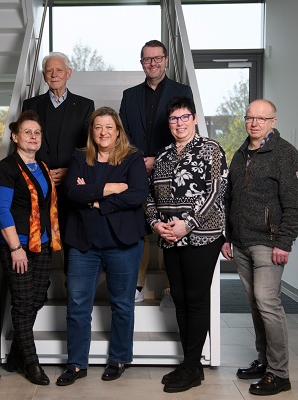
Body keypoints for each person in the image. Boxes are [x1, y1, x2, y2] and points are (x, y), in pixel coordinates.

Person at [56, 107, 148, 386]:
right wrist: (110, 188)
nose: (103, 132)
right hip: (84, 245)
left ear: (118, 130)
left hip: (123, 244)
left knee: (122, 305)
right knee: (77, 305)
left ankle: (119, 358)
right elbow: (72, 191)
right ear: (92, 131)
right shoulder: (79, 156)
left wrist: (95, 198)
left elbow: (137, 195)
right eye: (98, 127)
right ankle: (76, 364)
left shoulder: (133, 158)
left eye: (109, 127)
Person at [221, 99, 298, 396]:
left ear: (273, 121)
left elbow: (296, 205)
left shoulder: (286, 155)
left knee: (267, 302)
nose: (254, 123)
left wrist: (285, 242)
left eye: (261, 118)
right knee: (256, 304)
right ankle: (263, 360)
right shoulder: (241, 153)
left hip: (269, 243)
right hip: (241, 242)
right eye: (250, 118)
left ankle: (280, 373)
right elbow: (229, 198)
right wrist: (227, 236)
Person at [145, 96, 227, 393]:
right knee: (178, 298)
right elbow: (150, 196)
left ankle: (193, 367)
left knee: (195, 298)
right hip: (168, 238)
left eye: (184, 117)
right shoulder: (163, 155)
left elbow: (215, 192)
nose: (179, 123)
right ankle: (188, 362)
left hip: (203, 235)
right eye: (173, 119)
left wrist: (187, 224)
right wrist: (156, 224)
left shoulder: (211, 149)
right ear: (168, 124)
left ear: (194, 119)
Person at [119, 39, 194, 307]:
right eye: (147, 59)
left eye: (157, 58)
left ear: (165, 60)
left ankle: (172, 289)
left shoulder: (181, 90)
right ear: (142, 63)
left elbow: (183, 129)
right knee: (140, 227)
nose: (152, 63)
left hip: (172, 171)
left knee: (169, 226)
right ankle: (136, 286)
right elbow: (122, 134)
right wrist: (139, 160)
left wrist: (158, 159)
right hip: (137, 169)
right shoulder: (130, 95)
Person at [0, 110, 61, 386]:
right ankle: (31, 363)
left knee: (38, 298)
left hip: (42, 243)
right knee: (22, 304)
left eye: (37, 133)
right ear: (15, 136)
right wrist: (15, 248)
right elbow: (1, 209)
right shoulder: (7, 167)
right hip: (18, 245)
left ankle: (14, 355)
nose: (33, 137)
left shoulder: (43, 166)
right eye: (27, 132)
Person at [22, 52, 95, 274]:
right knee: (39, 238)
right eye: (49, 71)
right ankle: (37, 290)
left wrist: (70, 172)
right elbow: (27, 141)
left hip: (71, 185)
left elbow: (89, 147)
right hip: (39, 183)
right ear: (44, 76)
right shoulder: (31, 105)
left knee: (71, 239)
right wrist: (43, 172)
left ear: (68, 74)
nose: (54, 75)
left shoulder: (85, 106)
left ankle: (72, 286)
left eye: (59, 70)